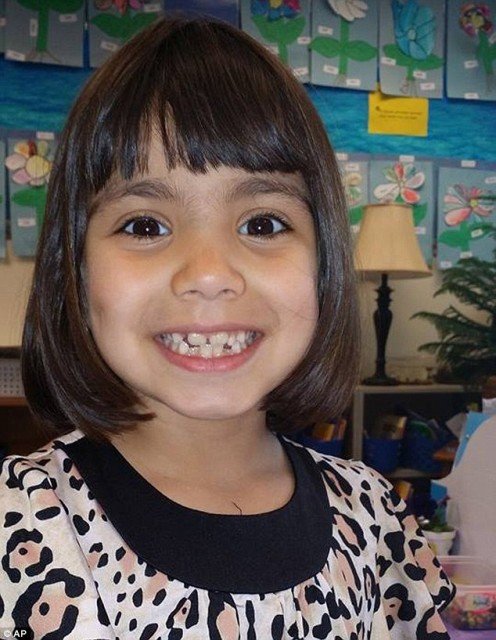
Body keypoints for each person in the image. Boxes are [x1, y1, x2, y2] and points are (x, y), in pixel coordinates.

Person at [0, 15, 455, 640]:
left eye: (263, 224)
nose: (210, 274)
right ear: (75, 269)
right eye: (144, 226)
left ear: (323, 262)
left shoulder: (377, 520)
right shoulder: (19, 524)